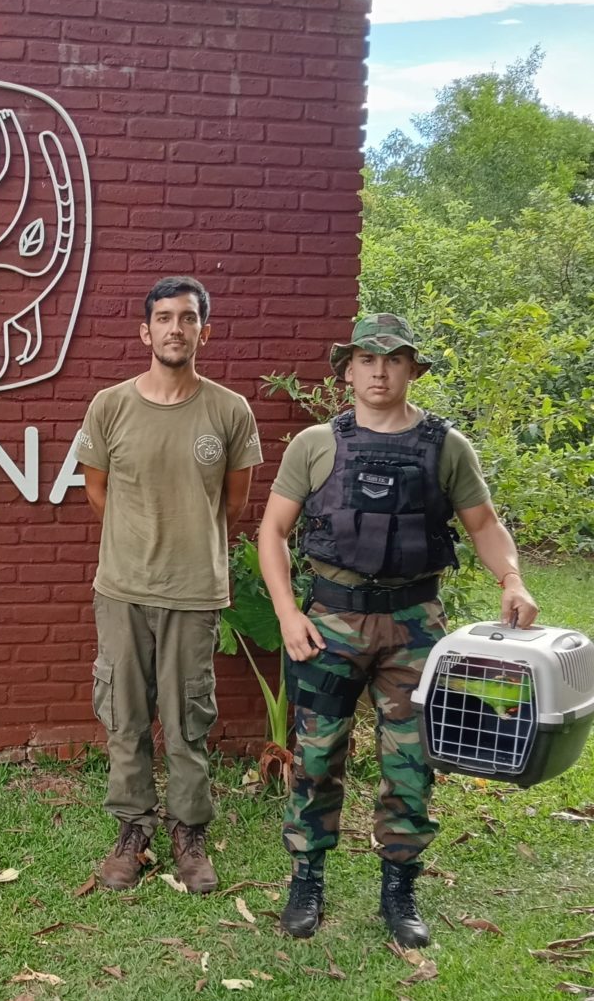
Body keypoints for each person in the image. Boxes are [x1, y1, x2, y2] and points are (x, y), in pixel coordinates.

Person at [257, 313, 539, 946]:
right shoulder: (315, 444)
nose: (378, 371)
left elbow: (485, 525)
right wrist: (286, 612)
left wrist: (512, 578)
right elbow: (271, 532)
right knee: (317, 754)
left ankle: (399, 887)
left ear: (412, 368)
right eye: (365, 359)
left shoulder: (446, 446)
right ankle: (307, 879)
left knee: (411, 760)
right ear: (347, 370)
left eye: (393, 359)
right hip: (328, 622)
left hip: (416, 627)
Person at [76, 275, 262, 892]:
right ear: (145, 331)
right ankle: (132, 830)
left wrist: (183, 540)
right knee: (125, 716)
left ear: (203, 332)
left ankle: (188, 833)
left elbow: (233, 503)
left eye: (187, 318)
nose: (175, 328)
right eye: (163, 318)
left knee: (187, 720)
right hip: (123, 588)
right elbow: (97, 488)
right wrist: (139, 537)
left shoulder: (229, 410)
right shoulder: (110, 405)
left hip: (193, 591)